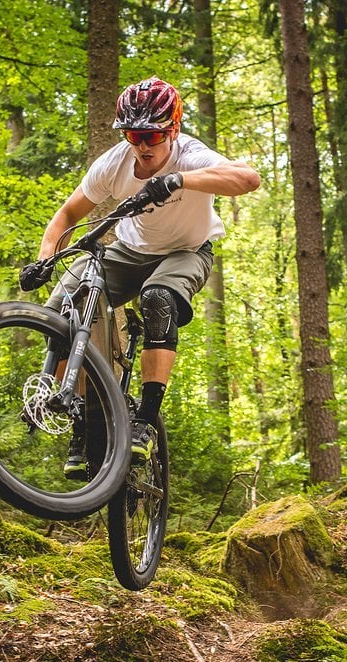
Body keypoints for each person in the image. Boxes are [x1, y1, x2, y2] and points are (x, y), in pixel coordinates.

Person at [33, 76, 260, 478]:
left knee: (158, 298)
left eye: (151, 136)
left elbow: (248, 179)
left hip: (186, 251)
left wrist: (177, 180)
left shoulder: (190, 154)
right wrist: (46, 258)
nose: (141, 146)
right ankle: (80, 419)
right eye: (133, 135)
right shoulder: (114, 163)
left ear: (172, 129)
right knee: (66, 308)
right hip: (128, 252)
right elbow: (68, 215)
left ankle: (145, 421)